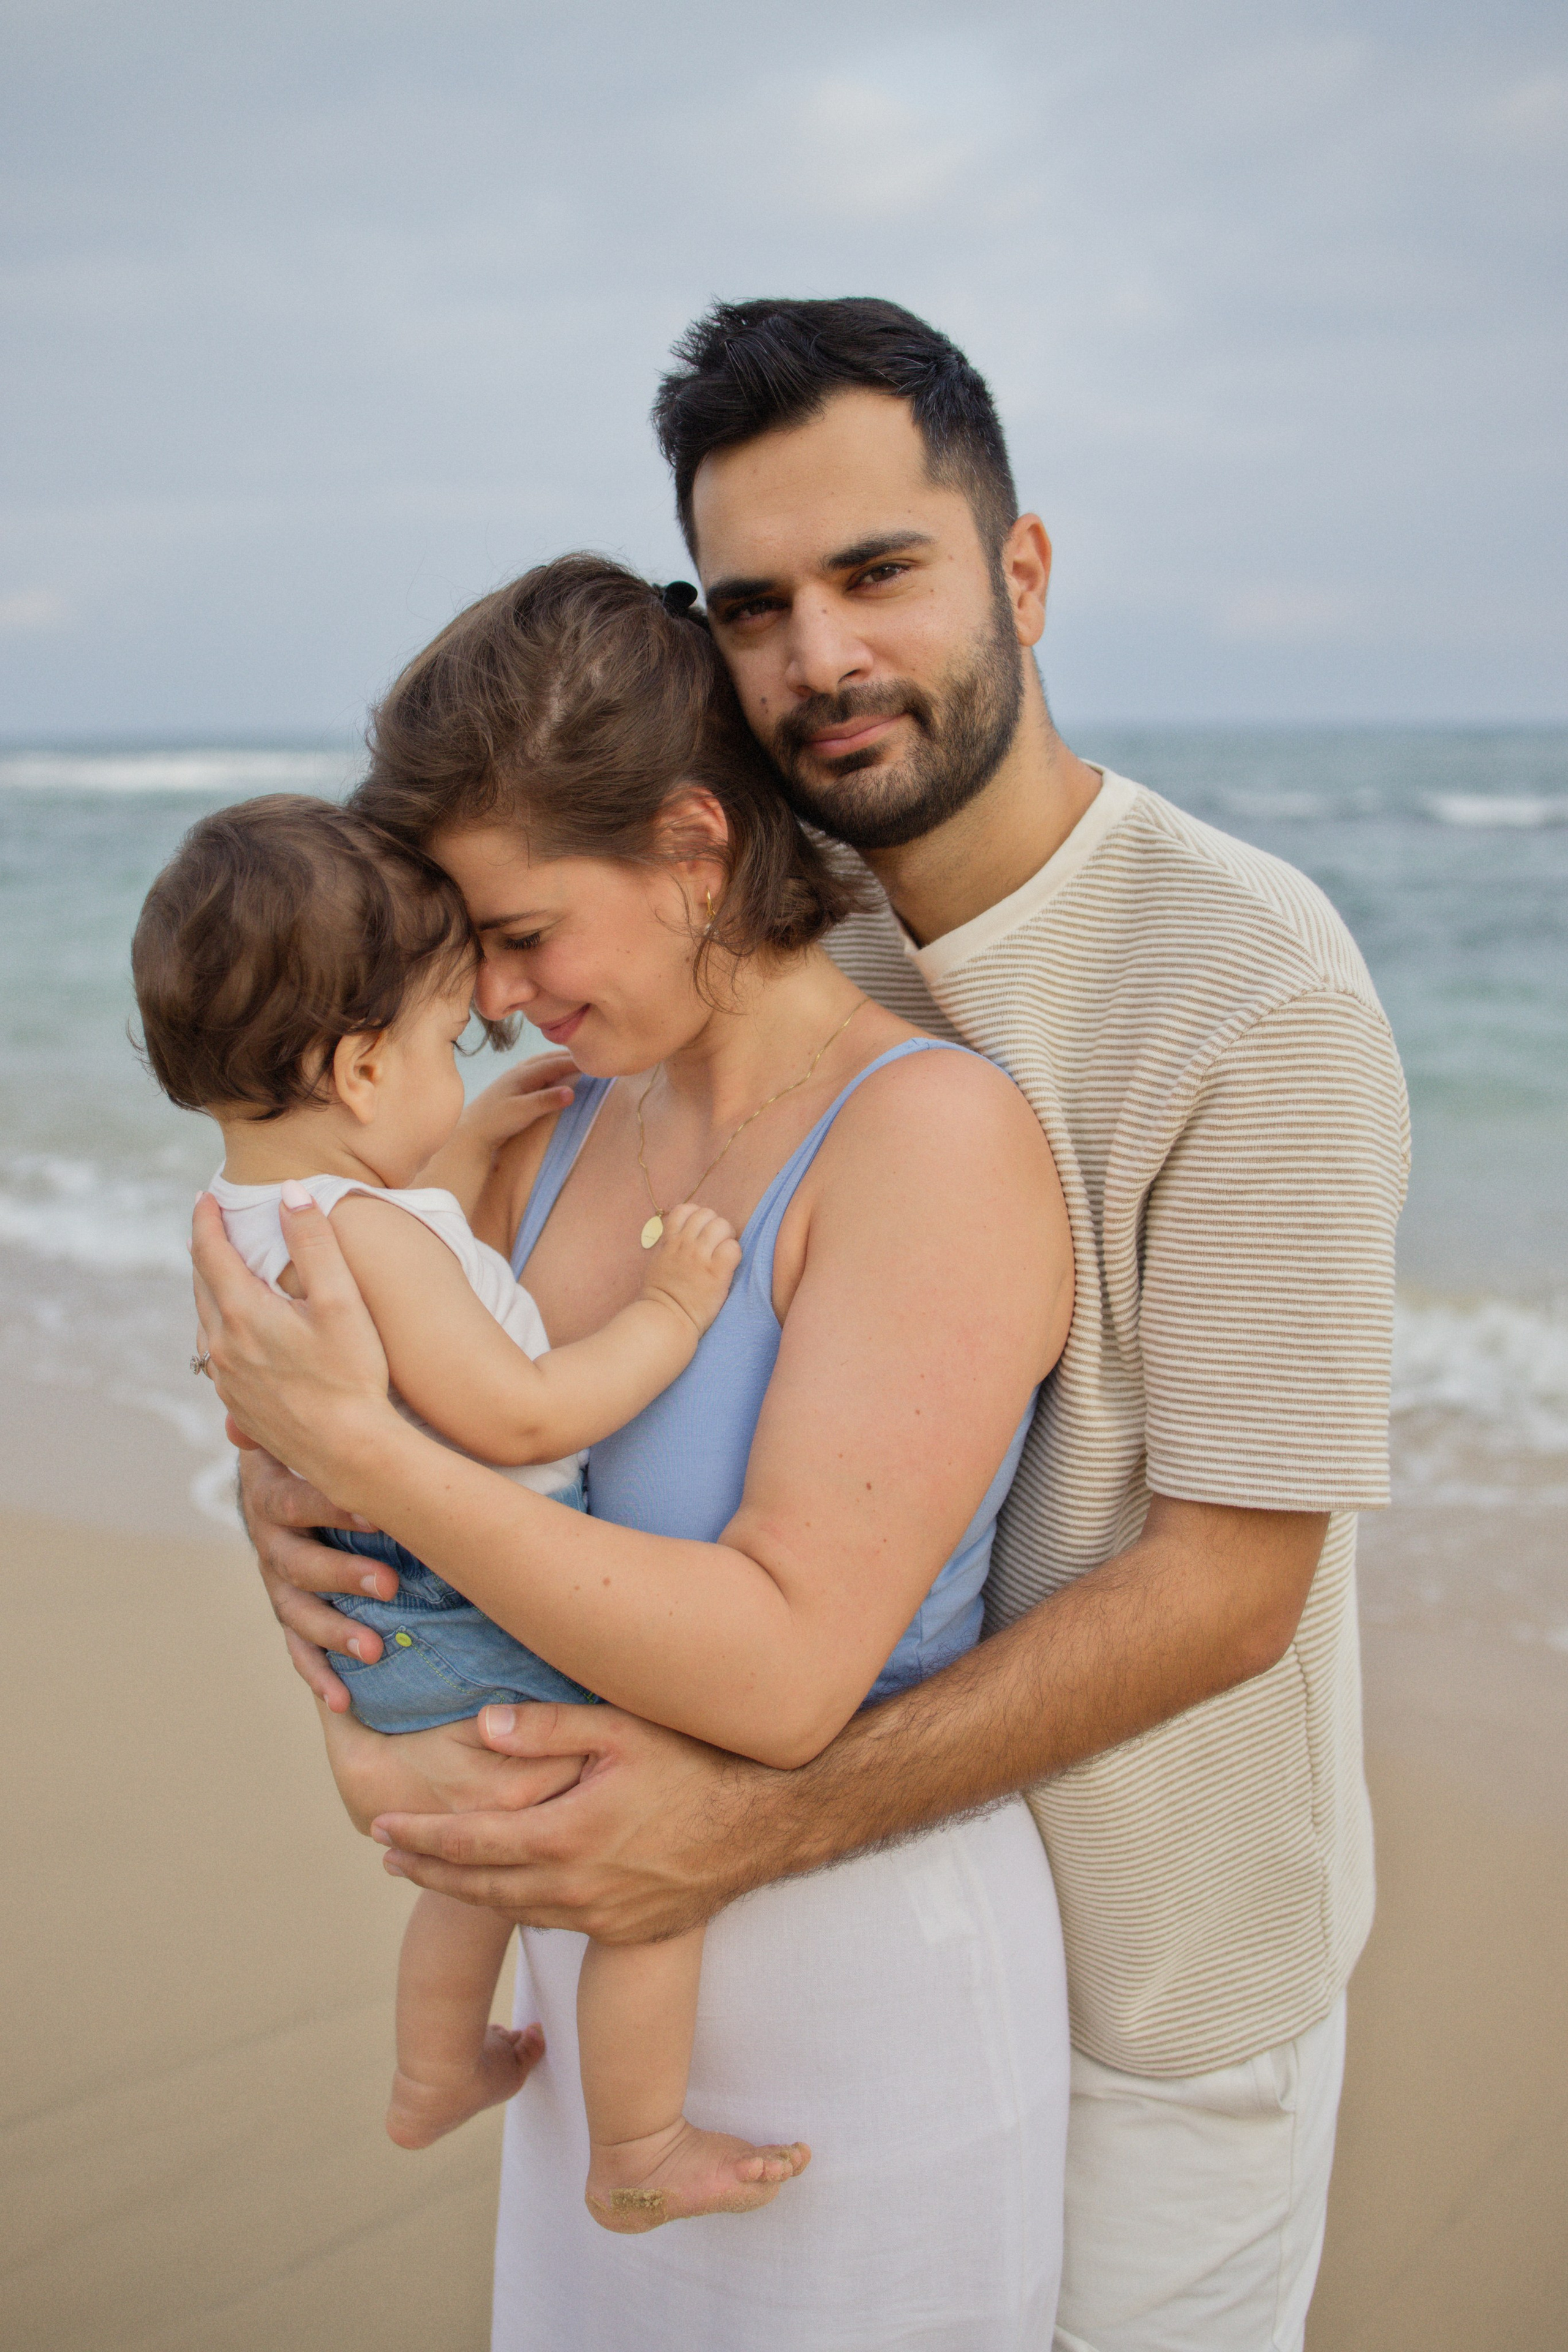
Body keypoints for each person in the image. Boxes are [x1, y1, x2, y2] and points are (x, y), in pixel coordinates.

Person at [219, 300, 1408, 2351]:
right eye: (754, 604)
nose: (818, 660)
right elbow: (497, 1412)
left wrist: (747, 1820)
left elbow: (1227, 1587)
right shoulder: (759, 960)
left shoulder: (1249, 991)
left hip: (1157, 1960)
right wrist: (312, 1520)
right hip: (729, 1943)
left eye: (879, 574)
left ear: (1019, 570)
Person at [193, 556, 1076, 2345]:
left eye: (521, 934)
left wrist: (360, 1445)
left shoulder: (929, 1141)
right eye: (469, 957)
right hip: (585, 2023)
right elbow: (413, 1500)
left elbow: (773, 1678)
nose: (499, 999)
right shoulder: (541, 1138)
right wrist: (290, 1517)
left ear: (690, 844)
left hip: (854, 2018)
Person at [134, 794, 853, 2221]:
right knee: (641, 1867)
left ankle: (433, 2072)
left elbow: (387, 1280)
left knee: (473, 1872)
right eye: (440, 1044)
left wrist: (454, 1149)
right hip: (478, 1613)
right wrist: (667, 1310)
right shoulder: (378, 1236)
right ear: (355, 1065)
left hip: (384, 1638)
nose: (478, 1048)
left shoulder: (241, 1222)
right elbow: (519, 1410)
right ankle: (637, 2149)